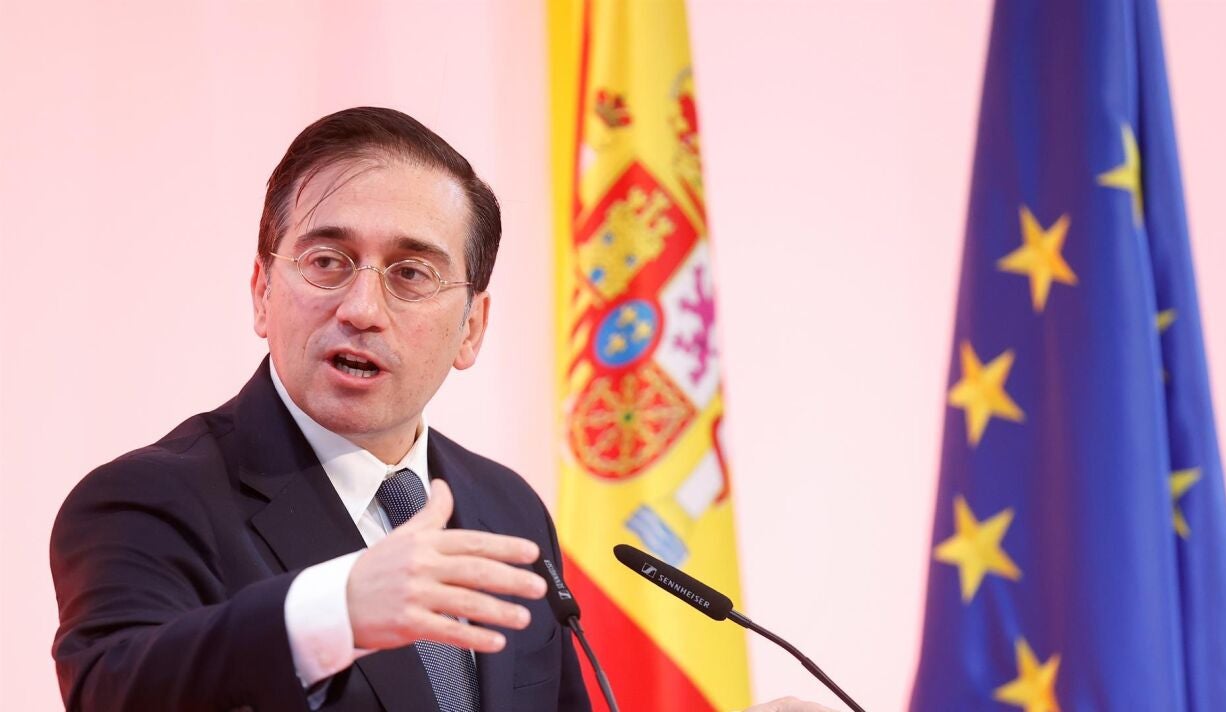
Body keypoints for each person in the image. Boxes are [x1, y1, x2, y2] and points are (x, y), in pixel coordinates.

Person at [50, 107, 837, 712]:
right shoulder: (148, 500)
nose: (361, 307)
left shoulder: (505, 509)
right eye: (327, 261)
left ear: (471, 329)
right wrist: (335, 612)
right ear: (262, 292)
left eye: (410, 274)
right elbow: (112, 689)